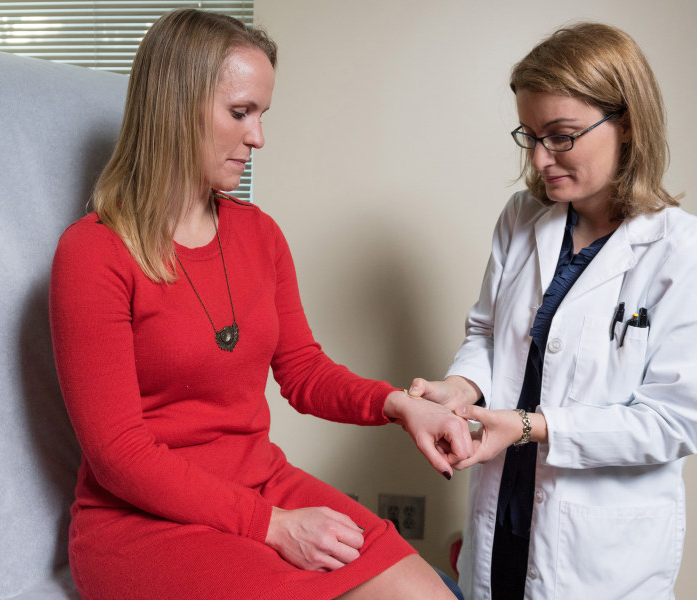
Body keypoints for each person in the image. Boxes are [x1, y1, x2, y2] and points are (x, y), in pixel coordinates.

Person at [49, 9, 471, 600]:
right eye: (240, 113)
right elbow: (120, 455)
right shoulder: (93, 253)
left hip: (260, 482)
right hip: (144, 521)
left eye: (262, 115)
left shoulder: (259, 235)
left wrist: (400, 405)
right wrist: (272, 527)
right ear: (177, 106)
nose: (258, 137)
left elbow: (301, 370)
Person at [408, 22, 697, 599]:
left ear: (627, 122)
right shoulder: (520, 220)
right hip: (502, 509)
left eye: (561, 136)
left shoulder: (690, 252)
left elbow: (674, 421)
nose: (540, 159)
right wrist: (463, 386)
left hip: (600, 550)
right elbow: (487, 332)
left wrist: (532, 427)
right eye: (530, 136)